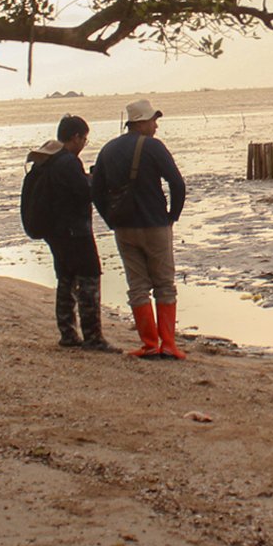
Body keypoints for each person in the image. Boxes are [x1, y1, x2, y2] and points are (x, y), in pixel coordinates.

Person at [90, 98, 188, 359]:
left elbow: (96, 190)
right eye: (154, 120)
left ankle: (149, 344)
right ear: (142, 122)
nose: (156, 126)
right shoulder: (153, 147)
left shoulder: (108, 149)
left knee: (138, 286)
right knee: (165, 284)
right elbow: (177, 184)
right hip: (155, 224)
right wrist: (172, 216)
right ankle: (168, 344)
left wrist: (110, 220)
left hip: (124, 227)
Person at [23, 116, 112, 351]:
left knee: (65, 280)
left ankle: (68, 333)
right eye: (84, 138)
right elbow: (84, 192)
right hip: (74, 231)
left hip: (55, 232)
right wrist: (94, 180)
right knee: (89, 278)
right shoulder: (68, 162)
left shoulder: (48, 160)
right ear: (75, 137)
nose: (84, 143)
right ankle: (93, 337)